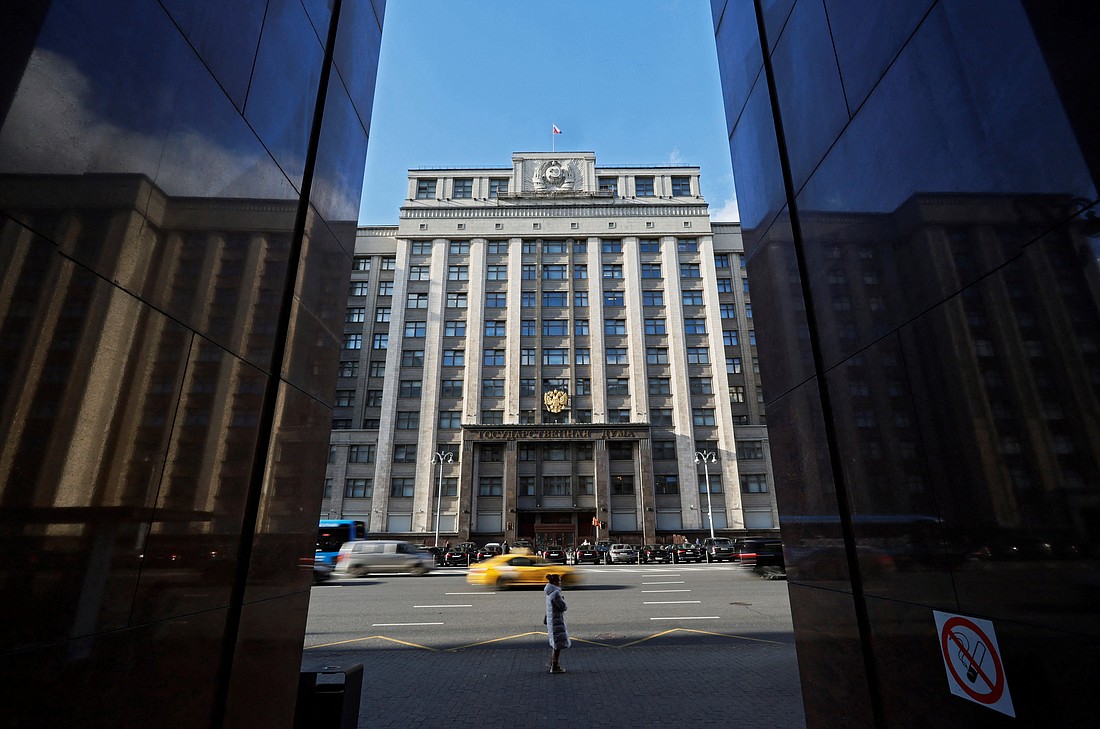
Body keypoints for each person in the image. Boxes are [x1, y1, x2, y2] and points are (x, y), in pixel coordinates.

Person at [545, 573, 570, 673]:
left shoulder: (549, 591)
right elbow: (563, 607)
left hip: (552, 620)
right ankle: (554, 666)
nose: (560, 582)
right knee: (558, 645)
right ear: (555, 582)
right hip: (557, 621)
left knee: (556, 644)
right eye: (559, 581)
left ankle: (552, 662)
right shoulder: (556, 593)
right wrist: (563, 600)